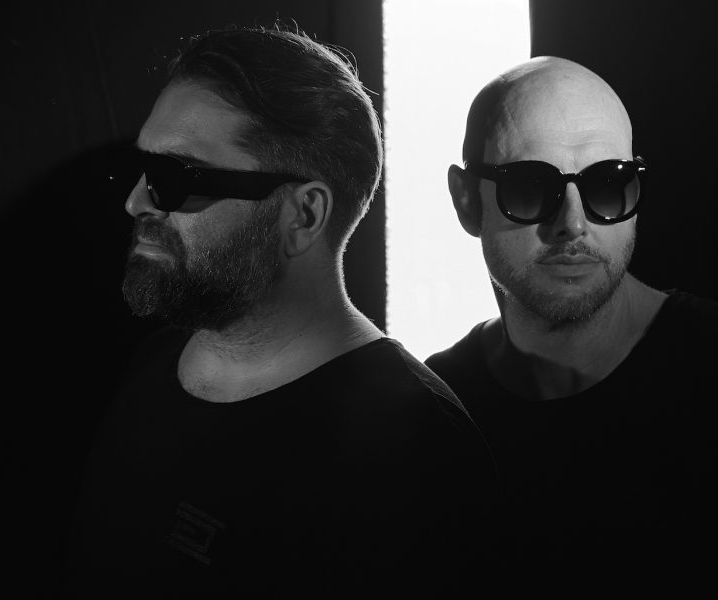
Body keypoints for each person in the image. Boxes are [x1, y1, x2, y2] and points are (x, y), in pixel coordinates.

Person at [62, 25, 498, 597]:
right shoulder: (156, 360)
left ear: (304, 215)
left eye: (176, 178)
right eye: (145, 169)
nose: (135, 201)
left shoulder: (416, 452)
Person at [426, 56, 718, 598]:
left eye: (606, 184)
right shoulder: (435, 413)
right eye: (529, 186)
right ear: (464, 200)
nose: (572, 225)